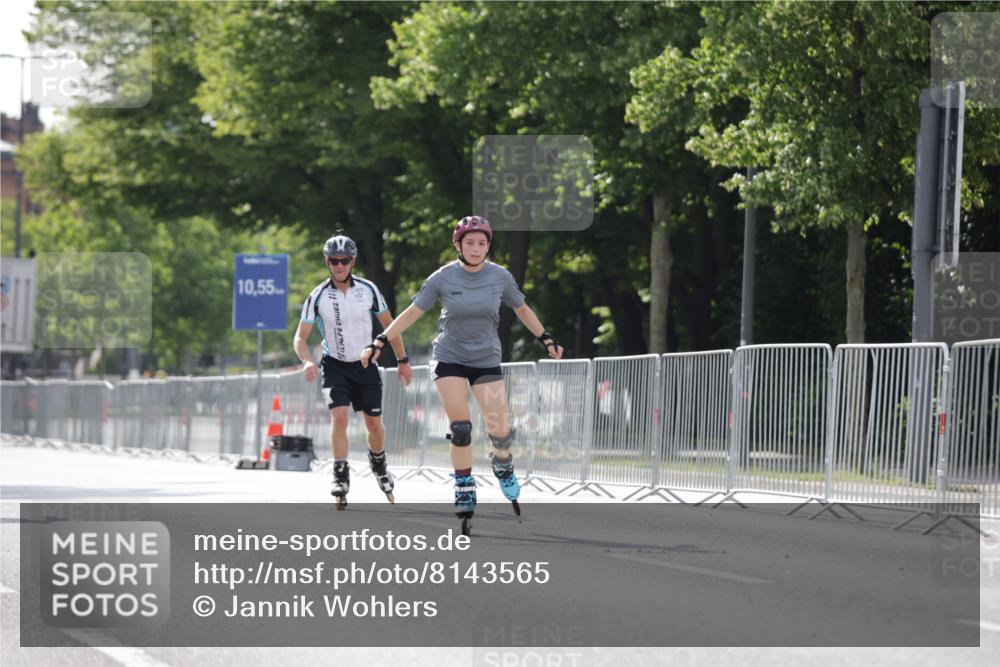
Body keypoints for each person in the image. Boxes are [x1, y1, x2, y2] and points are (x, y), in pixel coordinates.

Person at [360, 216, 563, 524]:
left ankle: (503, 463)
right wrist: (381, 340)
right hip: (449, 357)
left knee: (501, 432)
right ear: (458, 245)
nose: (476, 248)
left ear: (488, 246)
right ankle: (464, 486)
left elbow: (521, 308)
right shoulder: (442, 277)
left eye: (482, 243)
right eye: (470, 243)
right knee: (461, 428)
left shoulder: (500, 277)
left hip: (485, 359)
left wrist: (545, 338)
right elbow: (413, 311)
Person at [293, 233, 413, 508]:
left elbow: (390, 325)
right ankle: (340, 474)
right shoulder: (318, 295)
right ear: (327, 262)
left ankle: (379, 461)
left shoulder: (368, 289)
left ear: (353, 261)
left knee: (373, 423)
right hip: (334, 364)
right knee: (340, 419)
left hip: (365, 363)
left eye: (344, 260)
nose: (339, 266)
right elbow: (300, 337)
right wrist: (308, 360)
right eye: (334, 261)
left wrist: (402, 360)